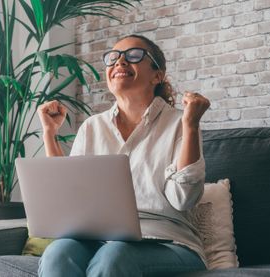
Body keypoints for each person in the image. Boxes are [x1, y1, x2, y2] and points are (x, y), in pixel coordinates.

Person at [36, 34, 211, 277]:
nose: (120, 62)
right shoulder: (92, 127)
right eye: (113, 57)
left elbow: (183, 199)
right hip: (101, 239)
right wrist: (49, 133)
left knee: (114, 256)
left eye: (133, 55)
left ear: (157, 76)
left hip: (168, 243)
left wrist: (191, 125)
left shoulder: (180, 123)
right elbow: (68, 199)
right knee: (58, 253)